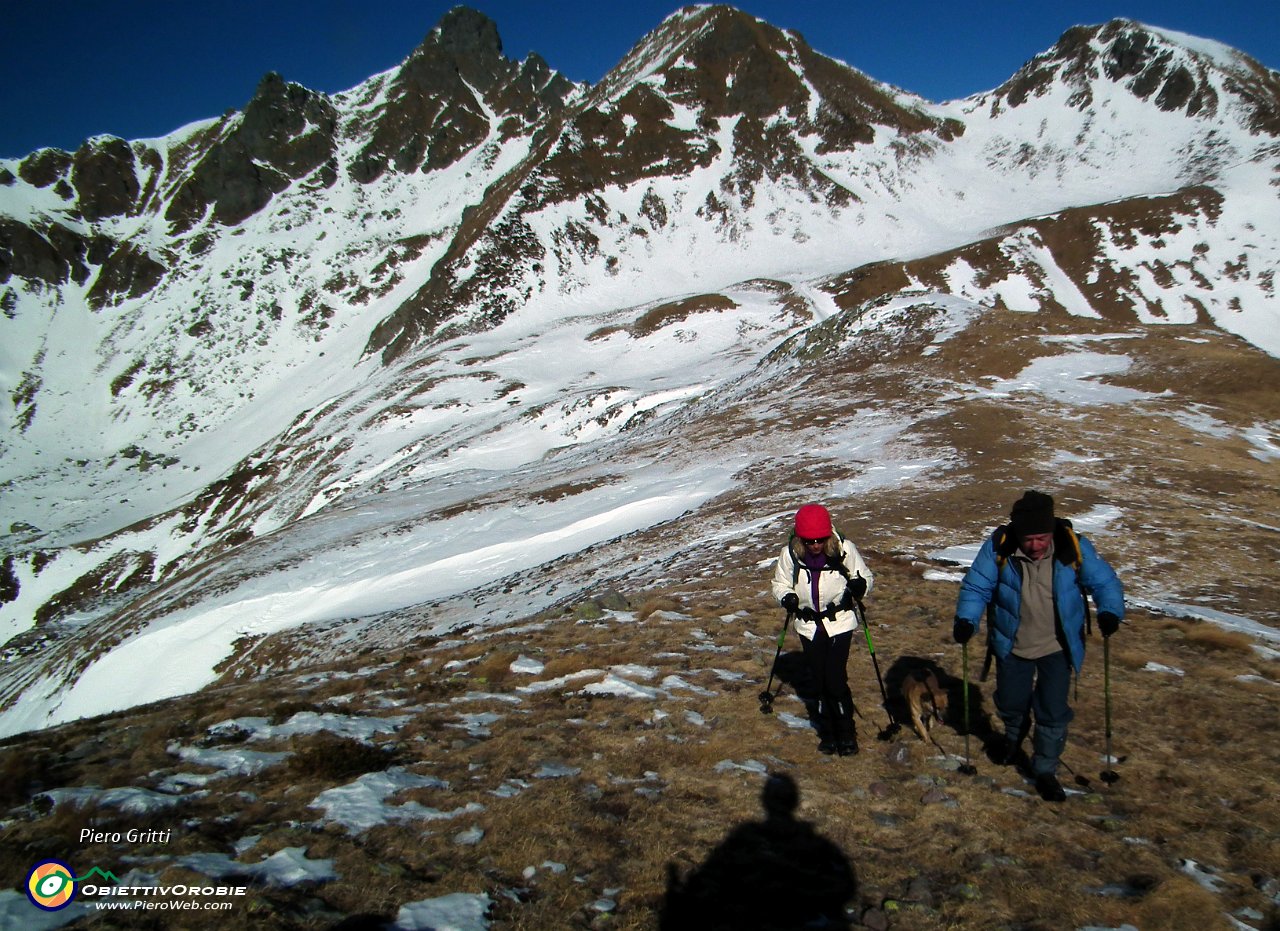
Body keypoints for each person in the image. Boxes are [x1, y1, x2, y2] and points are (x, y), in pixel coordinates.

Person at [952, 491, 1125, 802]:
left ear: (1051, 531)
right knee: (1010, 702)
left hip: (1058, 647)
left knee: (1053, 712)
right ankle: (1014, 738)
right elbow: (977, 586)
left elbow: (1104, 582)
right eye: (1028, 539)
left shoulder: (1073, 546)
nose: (1035, 546)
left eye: (1041, 538)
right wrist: (966, 619)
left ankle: (1045, 770)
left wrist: (1111, 611)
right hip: (1013, 643)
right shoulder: (999, 546)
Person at [771, 504, 873, 756]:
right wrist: (787, 598)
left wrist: (860, 586)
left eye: (820, 539)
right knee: (819, 680)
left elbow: (865, 577)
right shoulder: (791, 555)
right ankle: (827, 734)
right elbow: (780, 583)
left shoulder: (843, 549)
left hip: (839, 622)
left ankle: (846, 734)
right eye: (809, 540)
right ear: (800, 538)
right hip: (808, 626)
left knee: (835, 679)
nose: (815, 545)